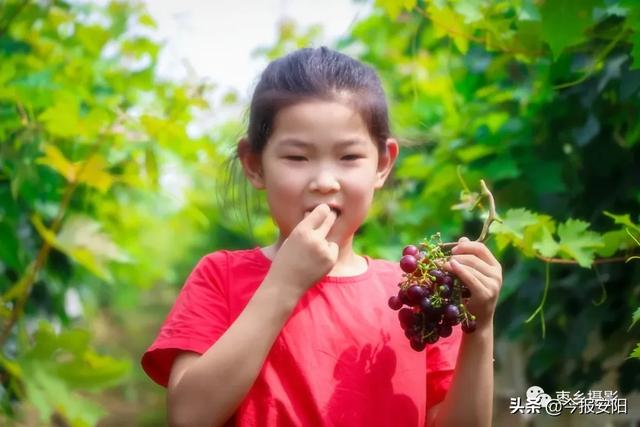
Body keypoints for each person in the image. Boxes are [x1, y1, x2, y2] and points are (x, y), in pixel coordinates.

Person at [141, 47, 503, 427]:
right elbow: (188, 416)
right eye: (297, 158)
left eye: (349, 158)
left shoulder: (414, 292)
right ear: (254, 164)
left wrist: (480, 328)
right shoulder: (221, 276)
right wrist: (284, 283)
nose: (325, 182)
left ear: (382, 164)